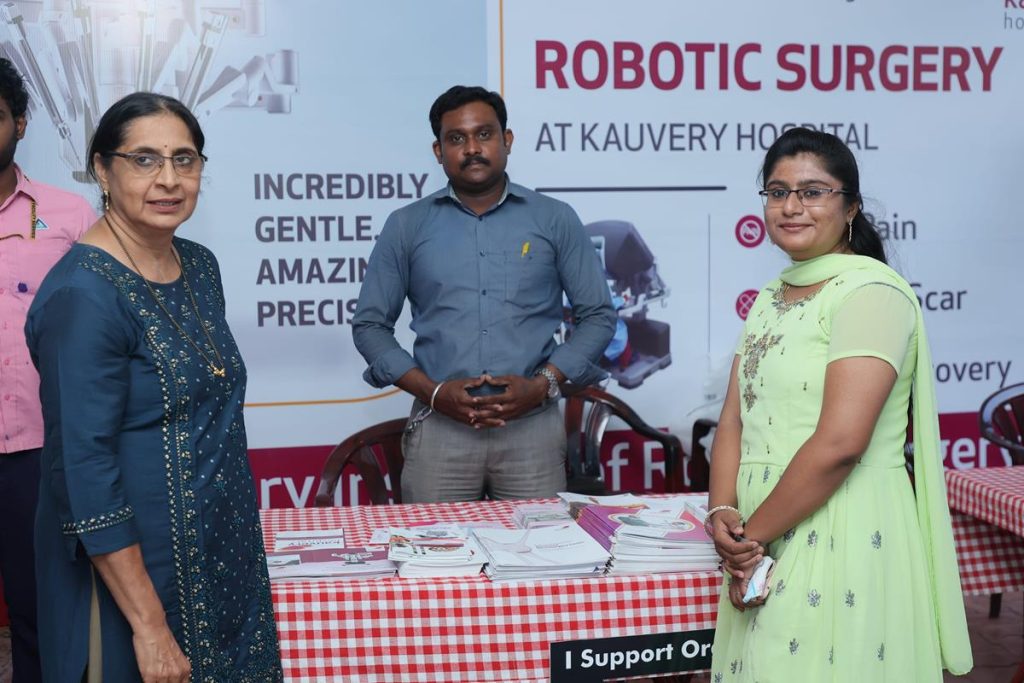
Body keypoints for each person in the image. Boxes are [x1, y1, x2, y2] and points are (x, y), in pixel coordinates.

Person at [25, 93, 282, 682]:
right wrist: (150, 626)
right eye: (144, 160)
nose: (168, 179)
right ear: (101, 169)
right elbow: (83, 472)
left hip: (222, 559)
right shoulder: (82, 297)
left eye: (184, 159)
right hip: (136, 578)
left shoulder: (199, 265)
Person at [705, 127, 972, 681]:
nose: (791, 207)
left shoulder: (871, 294)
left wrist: (748, 539)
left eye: (812, 191)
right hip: (761, 527)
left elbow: (840, 444)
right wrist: (722, 511)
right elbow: (734, 417)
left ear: (850, 206)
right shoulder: (772, 297)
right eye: (777, 192)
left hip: (840, 525)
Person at [352, 85, 616, 503]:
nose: (472, 148)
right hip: (440, 431)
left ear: (506, 141)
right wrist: (433, 392)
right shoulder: (406, 226)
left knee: (540, 561)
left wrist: (543, 384)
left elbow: (599, 316)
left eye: (484, 134)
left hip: (532, 431)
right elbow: (369, 326)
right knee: (436, 560)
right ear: (438, 151)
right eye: (456, 139)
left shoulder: (554, 219)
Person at [0, 57, 96, 683]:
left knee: (41, 615)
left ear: (20, 122)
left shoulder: (69, 216)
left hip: (34, 451)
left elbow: (99, 333)